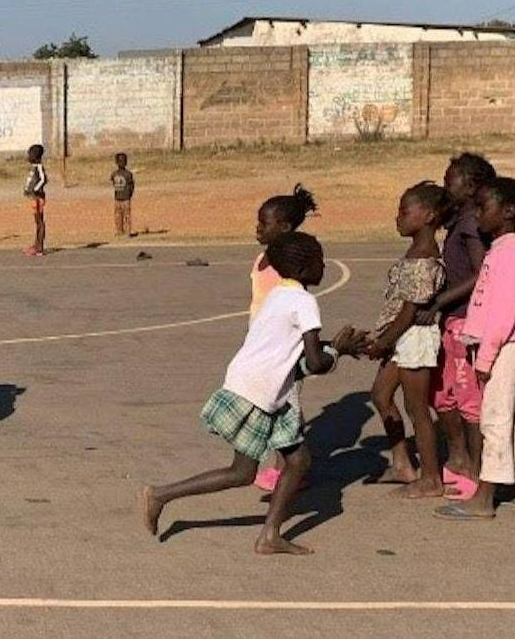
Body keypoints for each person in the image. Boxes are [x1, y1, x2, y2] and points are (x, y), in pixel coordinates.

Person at [142, 232, 364, 555]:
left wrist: (335, 348)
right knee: (242, 472)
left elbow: (290, 354)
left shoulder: (277, 295)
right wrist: (339, 351)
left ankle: (269, 535)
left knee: (298, 460)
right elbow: (314, 362)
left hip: (261, 386)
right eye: (319, 259)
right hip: (260, 392)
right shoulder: (305, 302)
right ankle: (160, 495)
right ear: (303, 269)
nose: (324, 265)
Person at [436, 177, 515, 520]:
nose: (477, 214)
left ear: (508, 211)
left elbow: (503, 311)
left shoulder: (511, 251)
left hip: (504, 344)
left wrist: (485, 357)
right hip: (499, 343)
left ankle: (485, 496)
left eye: (484, 208)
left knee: (494, 419)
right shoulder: (501, 247)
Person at [415, 153, 496, 497]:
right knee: (443, 393)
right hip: (451, 321)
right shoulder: (457, 222)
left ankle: (477, 471)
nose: (446, 186)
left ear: (471, 186)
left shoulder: (471, 227)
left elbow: (480, 275)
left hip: (464, 320)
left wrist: (439, 302)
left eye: (450, 181)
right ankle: (458, 456)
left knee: (468, 399)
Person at [365, 182, 452, 499]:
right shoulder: (415, 251)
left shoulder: (424, 258)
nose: (398, 218)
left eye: (404, 211)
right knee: (380, 395)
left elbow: (409, 312)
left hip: (412, 338)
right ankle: (401, 461)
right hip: (400, 337)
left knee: (417, 408)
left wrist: (384, 342)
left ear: (428, 216)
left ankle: (431, 477)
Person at [249, 185, 319, 491]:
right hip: (262, 345)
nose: (258, 229)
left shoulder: (289, 268)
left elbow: (298, 311)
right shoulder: (262, 259)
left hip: (284, 350)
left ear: (285, 228)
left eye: (264, 224)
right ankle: (285, 464)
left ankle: (289, 468)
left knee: (286, 406)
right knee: (273, 404)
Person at [23, 144, 47, 256]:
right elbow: (31, 181)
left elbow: (43, 179)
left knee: (40, 222)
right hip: (33, 197)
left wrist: (36, 190)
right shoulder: (33, 168)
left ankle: (39, 247)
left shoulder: (39, 167)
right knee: (36, 221)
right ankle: (36, 244)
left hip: (38, 197)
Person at [110, 152, 136, 238]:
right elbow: (113, 183)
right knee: (118, 216)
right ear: (116, 162)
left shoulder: (128, 174)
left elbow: (132, 185)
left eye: (123, 161)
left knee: (127, 216)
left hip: (126, 199)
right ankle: (119, 231)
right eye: (120, 161)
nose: (121, 163)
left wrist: (129, 194)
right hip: (117, 199)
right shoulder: (114, 174)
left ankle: (127, 232)